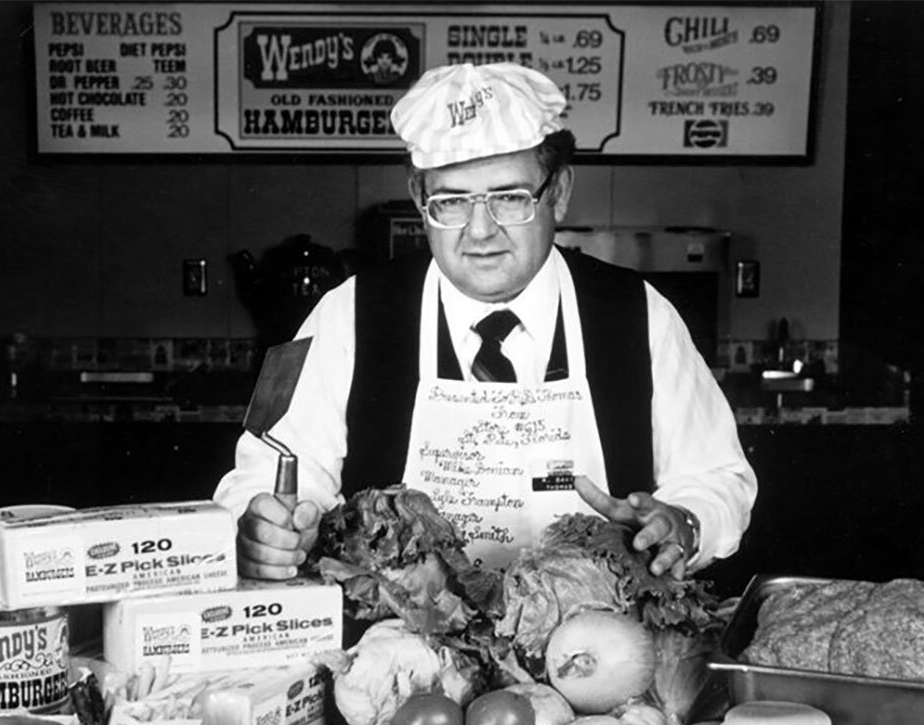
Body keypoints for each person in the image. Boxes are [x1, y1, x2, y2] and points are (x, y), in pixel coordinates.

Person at [214, 61, 756, 581]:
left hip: (590, 651)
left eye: (509, 197)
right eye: (450, 202)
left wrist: (683, 523)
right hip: (405, 652)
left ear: (559, 192)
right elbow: (273, 468)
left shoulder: (639, 313)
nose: (479, 231)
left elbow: (717, 477)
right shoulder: (345, 313)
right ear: (418, 198)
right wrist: (263, 527)